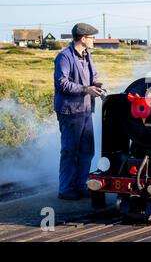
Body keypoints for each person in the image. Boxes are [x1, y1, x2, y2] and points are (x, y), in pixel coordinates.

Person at [54, 23, 103, 200]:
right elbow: (62, 83)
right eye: (92, 38)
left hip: (86, 109)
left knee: (87, 150)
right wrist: (85, 89)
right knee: (70, 151)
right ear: (83, 39)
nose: (94, 41)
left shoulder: (87, 55)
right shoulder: (64, 57)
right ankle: (66, 189)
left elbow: (93, 76)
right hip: (70, 111)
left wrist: (97, 87)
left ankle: (81, 186)